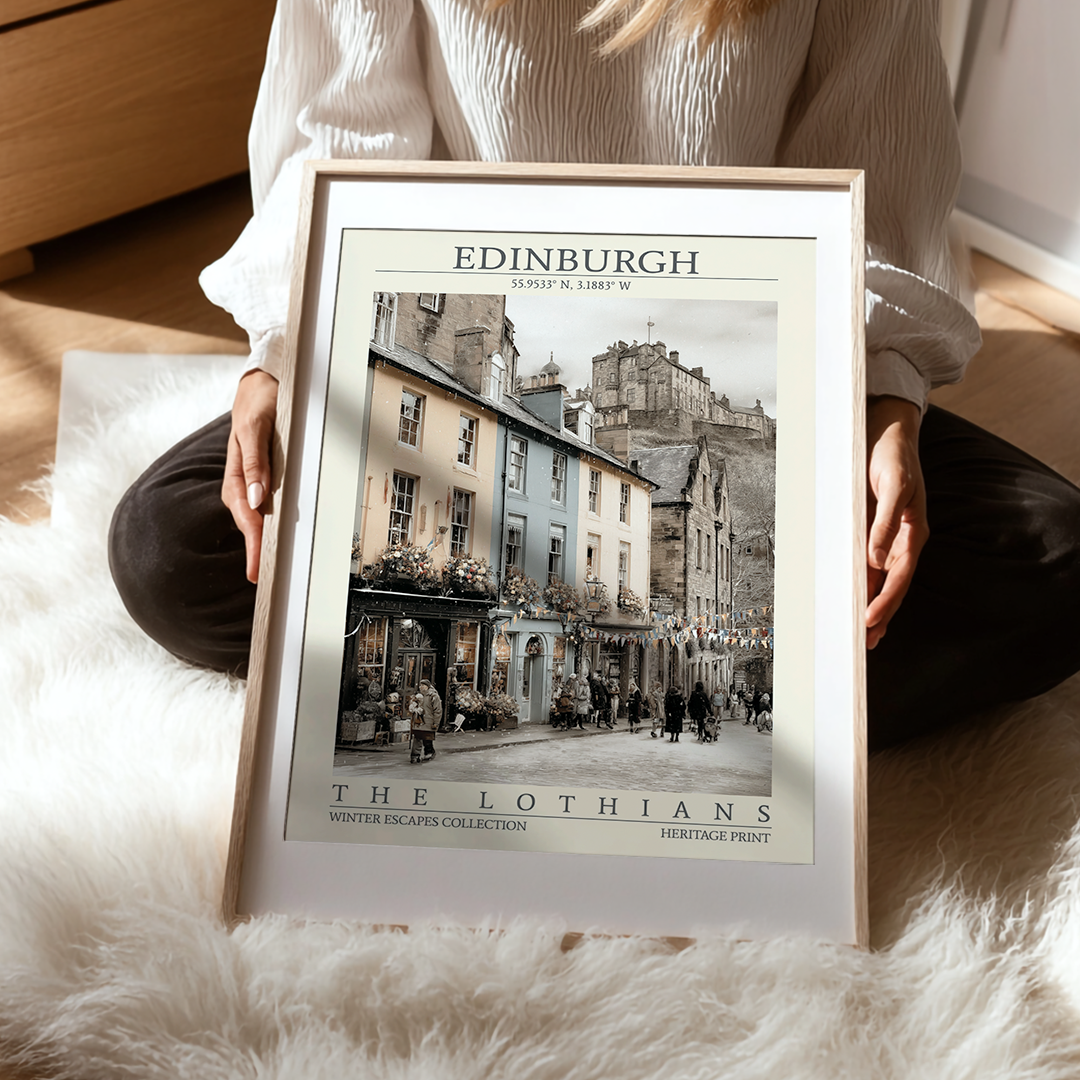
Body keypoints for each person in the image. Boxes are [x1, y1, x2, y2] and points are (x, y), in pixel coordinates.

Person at [106, 0, 1080, 752]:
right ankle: (743, 699)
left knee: (1056, 558)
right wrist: (283, 355)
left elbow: (877, 166)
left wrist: (880, 402)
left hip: (795, 344)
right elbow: (338, 137)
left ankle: (704, 697)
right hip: (469, 372)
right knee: (172, 543)